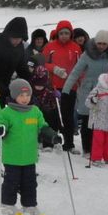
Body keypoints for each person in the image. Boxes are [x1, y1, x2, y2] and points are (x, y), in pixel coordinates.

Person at [0, 78, 61, 215]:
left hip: (29, 156)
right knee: (11, 182)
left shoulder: (35, 111)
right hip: (13, 156)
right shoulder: (6, 112)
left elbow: (43, 126)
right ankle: (7, 204)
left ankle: (29, 205)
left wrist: (52, 136)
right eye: (21, 95)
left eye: (27, 95)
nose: (25, 99)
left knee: (30, 183)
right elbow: (1, 125)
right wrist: (1, 129)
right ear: (14, 96)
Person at [62, 30, 108, 155]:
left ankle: (100, 149)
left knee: (101, 121)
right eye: (99, 43)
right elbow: (76, 72)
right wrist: (66, 89)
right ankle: (87, 149)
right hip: (89, 90)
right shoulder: (87, 54)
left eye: (104, 44)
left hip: (106, 91)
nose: (101, 46)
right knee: (88, 119)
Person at [42, 20, 83, 152]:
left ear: (70, 34)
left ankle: (69, 143)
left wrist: (80, 82)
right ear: (57, 33)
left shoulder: (76, 47)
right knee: (51, 115)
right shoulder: (50, 46)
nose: (64, 36)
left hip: (70, 87)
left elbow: (81, 67)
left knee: (68, 115)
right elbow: (43, 63)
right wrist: (54, 69)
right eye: (61, 33)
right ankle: (49, 142)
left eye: (67, 33)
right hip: (53, 86)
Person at [84, 66, 108, 165]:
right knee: (98, 141)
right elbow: (88, 103)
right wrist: (93, 100)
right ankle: (96, 158)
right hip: (98, 121)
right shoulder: (98, 90)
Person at [30, 65, 60, 150]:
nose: (39, 87)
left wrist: (55, 99)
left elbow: (54, 105)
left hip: (46, 114)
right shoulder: (30, 92)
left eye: (41, 85)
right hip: (33, 113)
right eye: (37, 85)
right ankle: (36, 140)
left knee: (53, 116)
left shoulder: (49, 92)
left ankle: (48, 143)